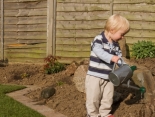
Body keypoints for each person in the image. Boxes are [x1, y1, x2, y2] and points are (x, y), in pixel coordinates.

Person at [85, 14, 130, 117]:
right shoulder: (99, 39)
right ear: (112, 30)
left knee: (108, 97)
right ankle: (92, 115)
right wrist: (111, 57)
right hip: (95, 75)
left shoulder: (116, 45)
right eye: (122, 34)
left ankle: (105, 113)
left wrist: (124, 66)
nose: (122, 37)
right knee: (93, 98)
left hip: (109, 76)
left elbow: (119, 58)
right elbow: (98, 51)